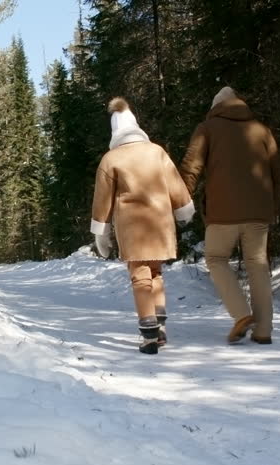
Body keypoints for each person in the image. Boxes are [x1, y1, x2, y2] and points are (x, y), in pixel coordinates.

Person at [179, 86, 280, 345]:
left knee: (216, 259)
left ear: (216, 107)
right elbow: (277, 173)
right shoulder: (262, 130)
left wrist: (181, 200)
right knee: (257, 264)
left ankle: (241, 315)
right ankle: (263, 330)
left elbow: (191, 167)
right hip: (259, 211)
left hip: (223, 211)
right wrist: (273, 207)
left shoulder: (208, 128)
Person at [90, 97, 195, 354]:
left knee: (140, 276)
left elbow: (102, 200)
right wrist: (184, 209)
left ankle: (149, 335)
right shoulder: (157, 152)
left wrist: (101, 233)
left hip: (132, 226)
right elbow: (175, 184)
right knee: (156, 272)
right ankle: (160, 327)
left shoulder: (111, 158)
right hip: (160, 223)